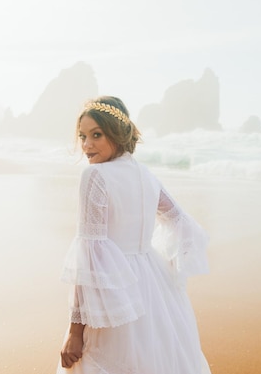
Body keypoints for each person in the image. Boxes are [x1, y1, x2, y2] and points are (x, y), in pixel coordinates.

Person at [57, 96, 212, 374]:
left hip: (116, 292)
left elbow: (89, 258)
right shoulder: (146, 174)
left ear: (117, 133)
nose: (86, 145)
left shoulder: (95, 176)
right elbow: (181, 221)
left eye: (96, 135)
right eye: (82, 136)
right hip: (155, 284)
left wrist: (75, 331)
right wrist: (170, 269)